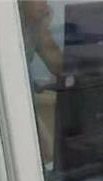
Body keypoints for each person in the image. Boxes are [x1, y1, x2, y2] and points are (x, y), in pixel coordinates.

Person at [19, 1, 63, 163]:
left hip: (24, 97)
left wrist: (42, 28)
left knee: (46, 154)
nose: (45, 3)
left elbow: (57, 64)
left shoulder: (34, 24)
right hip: (9, 99)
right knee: (43, 153)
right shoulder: (6, 23)